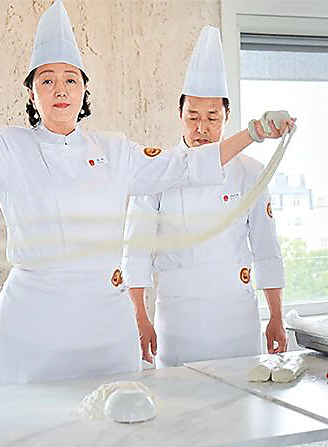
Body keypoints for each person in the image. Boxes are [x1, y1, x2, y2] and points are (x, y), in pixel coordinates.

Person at [0, 2, 294, 386]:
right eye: (48, 80)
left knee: (113, 420)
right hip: (34, 331)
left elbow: (182, 165)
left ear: (83, 91)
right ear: (32, 93)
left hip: (106, 332)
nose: (60, 90)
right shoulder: (9, 147)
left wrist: (254, 133)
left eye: (70, 80)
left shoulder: (115, 151)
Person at [122, 26, 290, 368]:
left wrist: (276, 316)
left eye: (212, 118)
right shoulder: (156, 171)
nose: (201, 128)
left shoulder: (251, 171)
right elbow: (135, 250)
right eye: (193, 117)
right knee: (181, 399)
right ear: (179, 115)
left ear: (227, 116)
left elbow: (266, 248)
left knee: (243, 394)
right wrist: (139, 317)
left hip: (236, 317)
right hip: (178, 318)